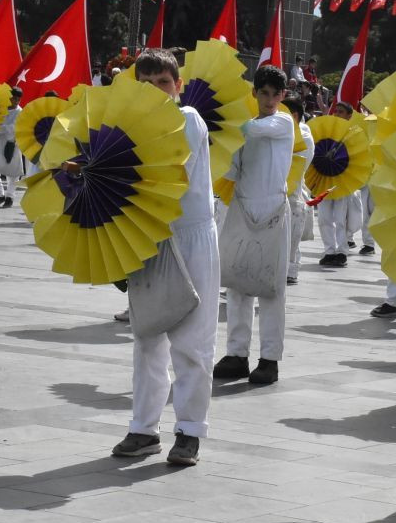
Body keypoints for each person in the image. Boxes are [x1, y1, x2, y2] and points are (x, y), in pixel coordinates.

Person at [110, 49, 220, 465]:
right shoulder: (127, 127)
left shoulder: (188, 118)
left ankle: (190, 431)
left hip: (191, 238)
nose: (156, 90)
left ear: (178, 85)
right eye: (146, 83)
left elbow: (162, 170)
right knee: (146, 337)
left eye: (163, 82)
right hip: (148, 236)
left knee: (192, 340)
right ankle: (143, 428)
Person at [214, 65, 294, 385]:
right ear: (255, 93)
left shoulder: (283, 122)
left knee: (271, 289)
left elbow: (255, 130)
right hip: (242, 208)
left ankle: (270, 358)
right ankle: (236, 354)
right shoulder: (241, 131)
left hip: (274, 210)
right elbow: (230, 171)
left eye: (276, 94)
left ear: (284, 96)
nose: (270, 99)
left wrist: (220, 124)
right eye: (264, 93)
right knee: (237, 285)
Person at [316, 101, 357, 268]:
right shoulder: (326, 131)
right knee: (324, 218)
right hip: (324, 179)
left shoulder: (353, 134)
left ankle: (341, 252)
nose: (337, 114)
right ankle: (329, 251)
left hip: (342, 181)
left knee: (340, 218)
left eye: (341, 112)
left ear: (349, 116)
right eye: (335, 112)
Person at [285, 94, 312, 285]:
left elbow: (299, 163)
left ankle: (291, 271)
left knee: (291, 239)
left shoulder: (303, 133)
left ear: (294, 115)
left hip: (293, 191)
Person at [0, 87, 25, 208]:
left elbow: (14, 128)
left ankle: (10, 196)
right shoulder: (1, 110)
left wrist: (0, 127)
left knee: (13, 173)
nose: (15, 101)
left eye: (18, 99)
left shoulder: (21, 112)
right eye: (13, 98)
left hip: (14, 144)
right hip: (0, 142)